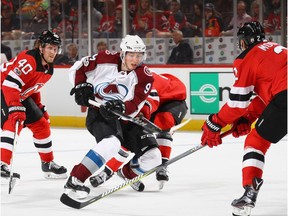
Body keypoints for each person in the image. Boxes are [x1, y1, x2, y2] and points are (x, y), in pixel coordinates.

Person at [200, 21, 287, 216]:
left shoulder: (247, 57)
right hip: (283, 98)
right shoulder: (278, 48)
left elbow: (237, 103)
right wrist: (248, 117)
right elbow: (270, 98)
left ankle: (249, 193)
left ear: (244, 41)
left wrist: (215, 122)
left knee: (256, 141)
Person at [64, 35, 162, 198]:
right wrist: (81, 85)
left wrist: (122, 106)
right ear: (123, 53)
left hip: (126, 117)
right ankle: (75, 180)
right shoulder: (105, 59)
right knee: (112, 143)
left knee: (154, 156)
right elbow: (78, 67)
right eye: (131, 55)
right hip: (99, 111)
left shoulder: (144, 76)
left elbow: (135, 105)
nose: (135, 59)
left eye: (139, 56)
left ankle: (127, 174)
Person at [89, 72, 188, 190]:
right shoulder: (123, 80)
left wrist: (143, 111)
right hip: (158, 98)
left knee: (164, 123)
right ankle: (108, 171)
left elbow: (152, 96)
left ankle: (159, 166)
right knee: (130, 136)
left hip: (174, 98)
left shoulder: (141, 78)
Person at [1, 30, 68, 180]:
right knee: (14, 121)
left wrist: (39, 106)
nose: (53, 52)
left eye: (55, 49)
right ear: (41, 47)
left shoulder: (49, 69)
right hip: (3, 87)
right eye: (50, 48)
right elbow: (10, 85)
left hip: (18, 92)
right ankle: (2, 163)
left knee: (41, 125)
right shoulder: (28, 60)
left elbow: (33, 87)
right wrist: (14, 106)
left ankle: (47, 163)